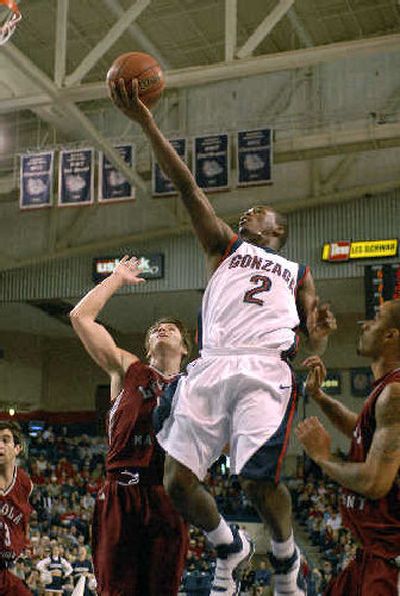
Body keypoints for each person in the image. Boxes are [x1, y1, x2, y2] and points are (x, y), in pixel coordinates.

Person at [108, 79, 337, 596]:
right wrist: (146, 121)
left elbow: (311, 343)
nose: (246, 213)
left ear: (277, 227)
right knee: (177, 483)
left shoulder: (297, 271)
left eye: (257, 210)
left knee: (258, 481)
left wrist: (319, 338)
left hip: (264, 368)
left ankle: (285, 559)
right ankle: (229, 544)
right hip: (212, 364)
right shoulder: (223, 244)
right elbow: (187, 186)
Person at [69, 255, 190, 596]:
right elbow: (80, 317)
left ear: (185, 346)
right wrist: (116, 279)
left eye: (170, 328)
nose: (161, 329)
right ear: (147, 345)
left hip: (168, 493)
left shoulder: (195, 384)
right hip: (122, 490)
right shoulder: (128, 368)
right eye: (155, 329)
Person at [296, 298, 400, 595]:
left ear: (391, 335)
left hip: (390, 564)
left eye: (376, 319)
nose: (364, 324)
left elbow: (374, 481)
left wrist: (323, 458)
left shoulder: (395, 392)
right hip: (370, 557)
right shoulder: (386, 390)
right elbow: (361, 429)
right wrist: (319, 396)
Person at [0, 420, 33, 596]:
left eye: (5, 440)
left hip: (5, 571)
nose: (0, 445)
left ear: (18, 449)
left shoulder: (25, 484)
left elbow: (23, 520)